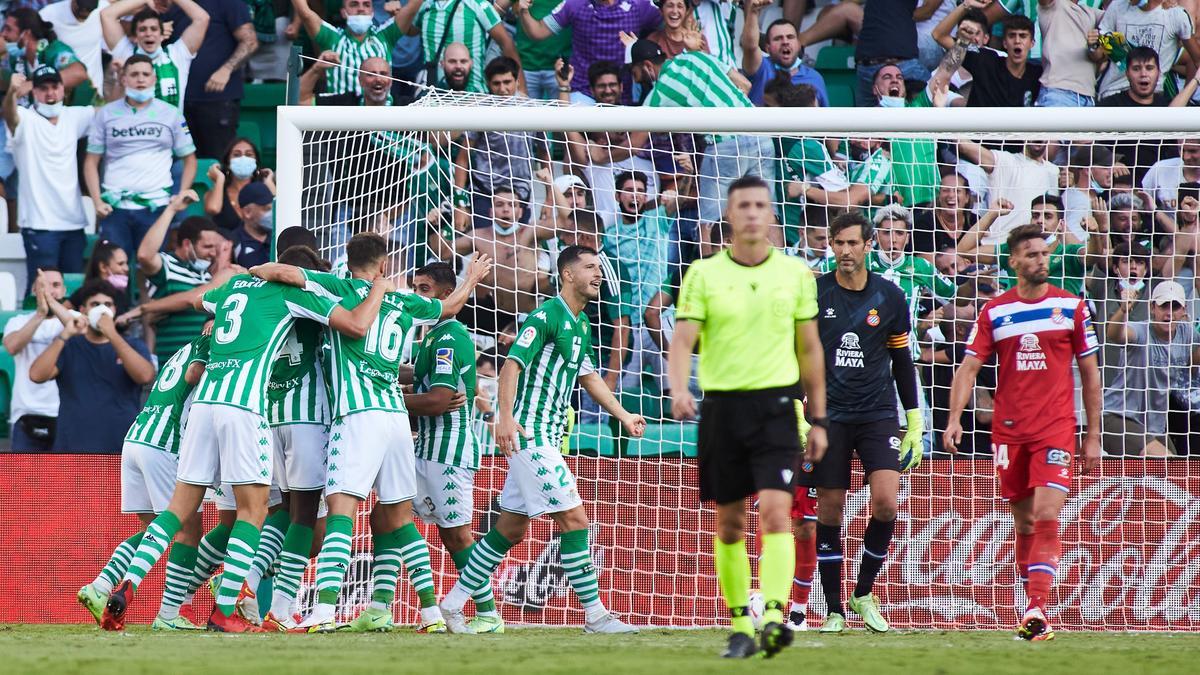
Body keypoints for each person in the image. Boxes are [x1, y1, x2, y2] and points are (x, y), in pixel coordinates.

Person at [100, 250, 392, 633]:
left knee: (176, 511)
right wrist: (380, 290)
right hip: (245, 406)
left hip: (204, 404)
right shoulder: (289, 294)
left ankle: (132, 587)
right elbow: (355, 325)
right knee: (253, 512)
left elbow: (196, 299)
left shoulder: (233, 287)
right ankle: (225, 611)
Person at [250, 235, 490, 633]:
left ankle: (325, 609)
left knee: (342, 510)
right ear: (384, 266)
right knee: (398, 517)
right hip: (397, 417)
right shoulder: (401, 300)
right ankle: (430, 613)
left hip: (357, 415)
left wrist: (255, 271)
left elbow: (287, 272)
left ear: (348, 262)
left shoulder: (339, 288)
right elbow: (449, 306)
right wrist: (472, 279)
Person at [436, 245, 645, 636]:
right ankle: (596, 616)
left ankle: (452, 604)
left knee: (509, 531)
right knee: (574, 519)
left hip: (547, 436)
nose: (598, 274)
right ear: (567, 274)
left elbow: (589, 377)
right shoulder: (546, 316)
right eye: (589, 267)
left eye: (599, 268)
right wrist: (505, 419)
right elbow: (511, 364)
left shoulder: (581, 324)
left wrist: (623, 414)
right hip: (530, 436)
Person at [665, 175, 825, 658]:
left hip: (777, 408)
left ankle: (775, 616)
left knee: (777, 514)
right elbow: (683, 338)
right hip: (722, 409)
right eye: (743, 206)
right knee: (730, 523)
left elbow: (811, 348)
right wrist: (677, 388)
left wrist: (818, 418)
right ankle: (739, 625)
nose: (753, 213)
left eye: (760, 205)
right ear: (730, 217)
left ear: (771, 214)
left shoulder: (795, 274)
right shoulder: (703, 274)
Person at [944, 223, 1102, 642]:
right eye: (1031, 254)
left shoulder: (1072, 307)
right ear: (1013, 261)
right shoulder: (995, 311)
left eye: (1044, 254)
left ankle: (1037, 608)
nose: (1040, 261)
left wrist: (1093, 434)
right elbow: (969, 367)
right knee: (1025, 521)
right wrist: (954, 417)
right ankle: (1031, 606)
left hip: (1056, 428)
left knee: (1047, 515)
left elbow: (1090, 374)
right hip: (1009, 431)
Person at [803, 211, 923, 636]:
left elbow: (902, 360)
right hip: (829, 416)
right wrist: (802, 410)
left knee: (887, 501)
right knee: (830, 509)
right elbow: (798, 354)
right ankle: (834, 608)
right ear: (830, 245)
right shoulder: (814, 293)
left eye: (853, 243)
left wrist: (913, 418)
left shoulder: (889, 296)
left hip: (877, 414)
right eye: (838, 243)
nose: (845, 251)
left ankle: (864, 592)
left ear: (869, 245)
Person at [76, 334, 210, 631]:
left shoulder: (181, 347)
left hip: (137, 436)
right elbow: (195, 374)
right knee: (188, 527)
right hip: (165, 443)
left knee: (152, 529)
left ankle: (100, 585)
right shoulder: (210, 344)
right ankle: (170, 613)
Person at [403, 261, 502, 634]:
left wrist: (388, 401)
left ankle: (489, 614)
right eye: (414, 287)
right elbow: (421, 379)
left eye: (424, 289)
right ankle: (383, 606)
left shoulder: (449, 336)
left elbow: (438, 399)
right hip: (426, 447)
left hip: (448, 451)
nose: (416, 295)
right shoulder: (430, 336)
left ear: (447, 295)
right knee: (388, 518)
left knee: (456, 535)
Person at [636, 42, 772, 228]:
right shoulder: (699, 56)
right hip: (760, 136)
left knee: (710, 222)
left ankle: (710, 257)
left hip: (725, 144)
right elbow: (745, 85)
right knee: (767, 216)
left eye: (636, 75)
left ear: (648, 67)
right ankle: (779, 256)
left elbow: (633, 143)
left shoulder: (658, 93)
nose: (637, 82)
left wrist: (598, 155)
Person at [83, 55, 197, 257]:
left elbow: (190, 159)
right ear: (124, 79)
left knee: (151, 269)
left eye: (146, 74)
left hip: (156, 206)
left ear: (154, 79)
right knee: (114, 272)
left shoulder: (172, 114)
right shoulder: (105, 114)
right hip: (115, 206)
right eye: (134, 74)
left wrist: (181, 193)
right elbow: (91, 162)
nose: (140, 79)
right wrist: (97, 201)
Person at [29, 280, 156, 453]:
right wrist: (65, 334)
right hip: (72, 447)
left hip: (121, 447)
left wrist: (111, 333)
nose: (102, 309)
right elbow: (37, 375)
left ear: (114, 310)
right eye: (95, 304)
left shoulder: (132, 345)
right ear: (83, 310)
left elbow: (145, 376)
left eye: (108, 305)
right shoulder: (69, 345)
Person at [4, 67, 93, 293]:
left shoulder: (74, 116)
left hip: (73, 223)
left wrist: (113, 78)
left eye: (55, 87)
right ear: (33, 92)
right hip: (39, 223)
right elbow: (10, 116)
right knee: (40, 291)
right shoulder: (25, 117)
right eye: (43, 88)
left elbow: (110, 108)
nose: (50, 93)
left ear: (64, 89)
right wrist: (13, 92)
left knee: (72, 291)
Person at [1101, 280, 1200, 457]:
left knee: (1179, 470)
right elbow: (1114, 334)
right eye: (1164, 306)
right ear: (1152, 308)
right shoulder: (1140, 330)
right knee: (1166, 461)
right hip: (1118, 417)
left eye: (1175, 307)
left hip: (1154, 425)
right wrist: (1123, 310)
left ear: (1184, 311)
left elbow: (1191, 366)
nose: (1169, 313)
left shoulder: (1187, 333)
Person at [513, 0, 660, 104]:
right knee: (574, 134)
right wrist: (525, 12)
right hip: (583, 90)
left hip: (625, 90)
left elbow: (670, 22)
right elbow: (538, 32)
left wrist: (640, 46)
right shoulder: (574, 4)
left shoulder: (639, 4)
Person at [161, 0, 257, 159]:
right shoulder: (174, 4)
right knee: (181, 164)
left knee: (218, 161)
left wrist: (226, 69)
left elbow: (250, 41)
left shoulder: (228, 3)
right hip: (176, 101)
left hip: (217, 99)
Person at [134, 195, 224, 364]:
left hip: (201, 364)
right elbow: (144, 256)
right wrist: (171, 209)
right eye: (207, 247)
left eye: (215, 247)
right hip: (173, 365)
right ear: (187, 244)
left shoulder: (206, 275)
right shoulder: (168, 265)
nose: (212, 253)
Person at [391, 0, 520, 95]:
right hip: (433, 92)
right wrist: (400, 14)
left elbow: (506, 42)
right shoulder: (425, 5)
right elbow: (410, 30)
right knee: (435, 131)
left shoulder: (477, 4)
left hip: (473, 93)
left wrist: (521, 88)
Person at [2, 269, 68, 452]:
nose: (49, 291)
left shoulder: (74, 319)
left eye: (55, 285)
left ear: (64, 291)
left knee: (65, 480)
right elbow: (12, 346)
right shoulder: (18, 321)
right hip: (25, 414)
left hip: (65, 415)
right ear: (33, 290)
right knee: (24, 480)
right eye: (43, 285)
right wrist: (40, 314)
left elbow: (81, 331)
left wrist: (53, 306)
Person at [101, 0, 210, 109]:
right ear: (135, 37)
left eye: (154, 29)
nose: (148, 34)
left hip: (170, 125)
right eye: (142, 30)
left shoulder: (177, 55)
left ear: (163, 35)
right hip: (132, 124)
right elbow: (106, 15)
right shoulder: (125, 53)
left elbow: (202, 19)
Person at [1092, 0, 1199, 103]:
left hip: (1151, 97)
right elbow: (1098, 55)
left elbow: (1197, 60)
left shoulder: (1175, 14)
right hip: (1113, 92)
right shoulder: (1117, 6)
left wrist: (1186, 96)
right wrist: (1093, 46)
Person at [956, 139, 1058, 244]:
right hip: (999, 247)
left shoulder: (1054, 171)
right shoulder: (1005, 160)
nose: (1038, 136)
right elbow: (964, 146)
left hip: (1035, 249)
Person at [293, 0, 399, 96]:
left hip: (380, 111)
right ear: (343, 12)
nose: (361, 9)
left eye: (366, 5)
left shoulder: (385, 36)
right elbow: (305, 14)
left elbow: (412, 9)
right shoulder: (332, 37)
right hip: (340, 111)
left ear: (372, 12)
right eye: (354, 4)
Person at [741, 0, 827, 107]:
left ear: (798, 44)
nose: (785, 42)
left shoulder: (815, 77)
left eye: (790, 37)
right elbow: (750, 47)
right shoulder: (761, 68)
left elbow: (823, 119)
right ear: (768, 48)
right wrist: (753, 13)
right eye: (778, 39)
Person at [2, 8, 88, 100]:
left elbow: (79, 73)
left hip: (75, 109)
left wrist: (34, 83)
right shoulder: (16, 58)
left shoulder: (53, 50)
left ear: (26, 33)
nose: (3, 34)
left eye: (8, 29)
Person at [1035, 0, 1103, 107]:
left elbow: (1119, 14)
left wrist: (1093, 47)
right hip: (1058, 94)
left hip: (1088, 97)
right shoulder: (1053, 5)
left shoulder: (1091, 13)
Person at [204, 136, 275, 232]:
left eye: (249, 154)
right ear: (228, 162)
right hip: (226, 246)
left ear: (256, 162)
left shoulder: (264, 190)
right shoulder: (218, 191)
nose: (243, 158)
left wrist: (269, 183)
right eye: (237, 155)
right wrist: (220, 179)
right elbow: (213, 208)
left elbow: (280, 214)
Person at [39, 0, 106, 92]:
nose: (85, 13)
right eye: (81, 9)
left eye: (90, 10)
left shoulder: (103, 9)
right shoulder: (48, 15)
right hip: (60, 90)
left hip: (94, 90)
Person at [232, 182, 273, 268]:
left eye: (273, 208)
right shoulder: (233, 243)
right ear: (247, 212)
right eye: (266, 209)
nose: (271, 214)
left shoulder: (280, 235)